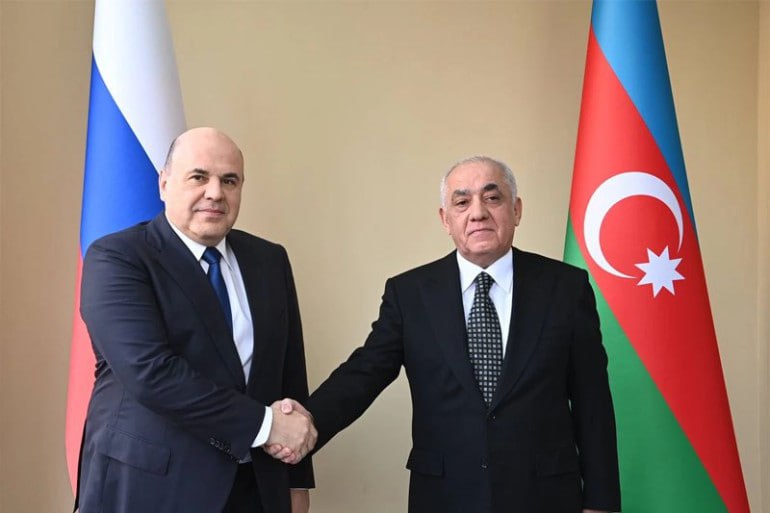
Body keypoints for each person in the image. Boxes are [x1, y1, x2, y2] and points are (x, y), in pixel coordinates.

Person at [271, 156, 621, 513]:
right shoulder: (410, 294)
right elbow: (364, 374)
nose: (478, 213)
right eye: (462, 202)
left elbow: (592, 401)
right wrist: (305, 423)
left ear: (516, 210)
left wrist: (601, 502)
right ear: (446, 220)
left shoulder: (566, 288)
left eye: (493, 198)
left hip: (546, 496)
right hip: (444, 496)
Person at [77, 127, 316, 513]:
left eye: (229, 180)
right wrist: (266, 425)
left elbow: (289, 377)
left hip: (257, 488)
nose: (215, 193)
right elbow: (150, 372)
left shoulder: (269, 260)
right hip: (152, 488)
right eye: (199, 177)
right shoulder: (117, 258)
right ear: (164, 184)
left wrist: (296, 480)